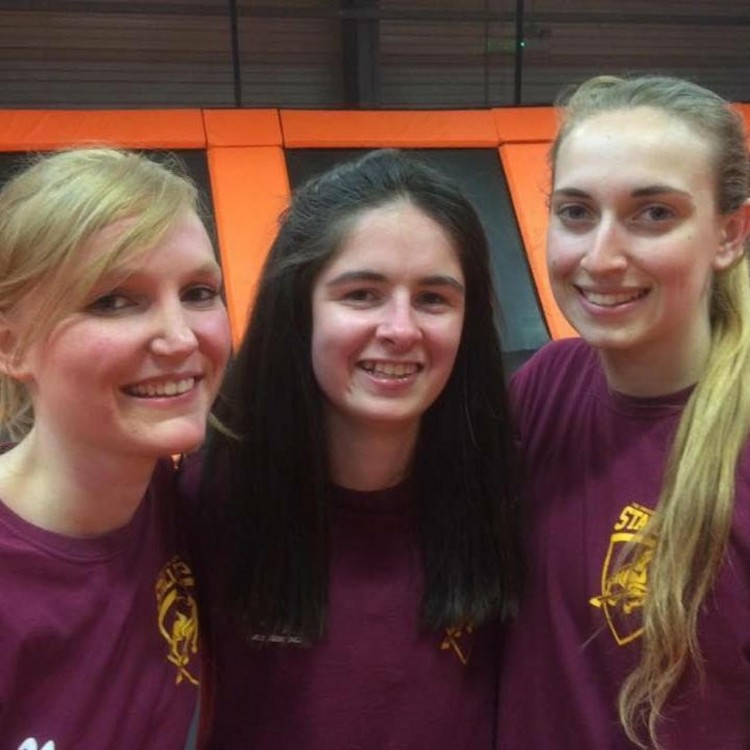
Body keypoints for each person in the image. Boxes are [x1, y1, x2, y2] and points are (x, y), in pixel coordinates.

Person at [185, 148, 523, 748]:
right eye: (362, 294)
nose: (400, 329)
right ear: (300, 309)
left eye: (433, 298)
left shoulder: (503, 489)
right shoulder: (206, 498)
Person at [496, 75, 750, 749]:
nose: (601, 257)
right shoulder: (543, 389)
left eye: (654, 214)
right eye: (577, 213)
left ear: (729, 235)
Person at [0, 148, 232, 748]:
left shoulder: (164, 496)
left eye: (201, 292)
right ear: (12, 346)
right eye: (114, 301)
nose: (181, 338)